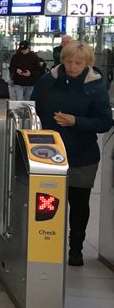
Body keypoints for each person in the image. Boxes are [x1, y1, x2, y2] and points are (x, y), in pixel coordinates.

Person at [32, 42, 112, 266]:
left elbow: (105, 121)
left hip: (82, 155)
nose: (73, 66)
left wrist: (76, 121)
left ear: (88, 63)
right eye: (68, 61)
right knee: (48, 202)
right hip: (47, 153)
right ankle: (45, 242)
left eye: (78, 62)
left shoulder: (95, 86)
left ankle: (75, 247)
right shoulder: (48, 81)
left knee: (79, 203)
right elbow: (33, 107)